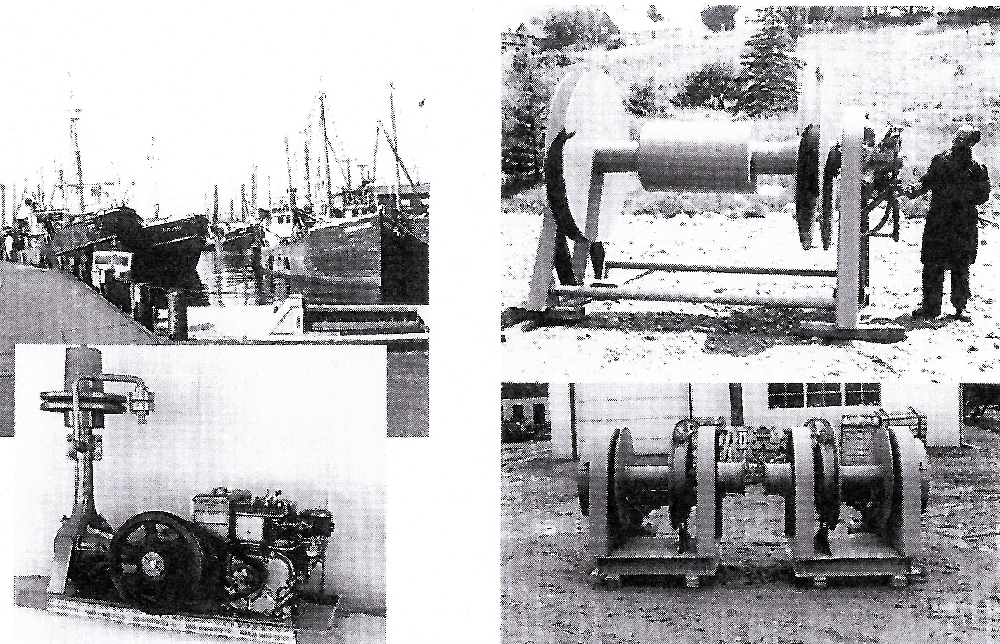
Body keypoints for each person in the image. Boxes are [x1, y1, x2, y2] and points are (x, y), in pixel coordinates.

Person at [904, 125, 991, 321]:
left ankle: (960, 307)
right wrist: (913, 190)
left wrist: (961, 196)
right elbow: (926, 182)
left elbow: (984, 194)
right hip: (941, 221)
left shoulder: (976, 167)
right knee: (933, 263)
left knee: (961, 265)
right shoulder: (941, 161)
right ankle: (931, 307)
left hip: (961, 223)